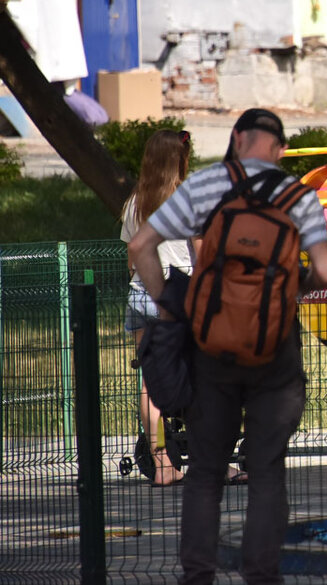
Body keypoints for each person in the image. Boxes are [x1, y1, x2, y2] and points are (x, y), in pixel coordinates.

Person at [128, 108, 327, 585]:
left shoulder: (203, 186)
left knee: (204, 473)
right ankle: (262, 576)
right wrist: (287, 289)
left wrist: (170, 299)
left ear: (237, 137)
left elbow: (140, 245)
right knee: (266, 470)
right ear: (280, 149)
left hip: (211, 347)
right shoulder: (298, 195)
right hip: (275, 352)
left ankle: (198, 576)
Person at [121, 129, 192, 487]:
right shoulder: (186, 199)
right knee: (200, 378)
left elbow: (131, 257)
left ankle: (162, 464)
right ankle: (213, 463)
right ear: (178, 158)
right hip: (178, 294)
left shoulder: (135, 202)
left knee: (151, 383)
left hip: (139, 295)